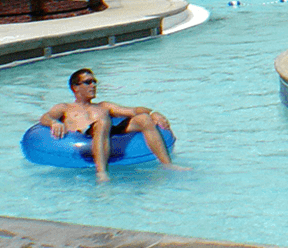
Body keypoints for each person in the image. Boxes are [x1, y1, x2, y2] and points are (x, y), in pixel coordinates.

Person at [37, 68, 187, 182]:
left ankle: (167, 164)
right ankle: (101, 172)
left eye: (95, 82)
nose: (93, 85)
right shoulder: (65, 108)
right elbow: (45, 117)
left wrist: (153, 113)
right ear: (75, 87)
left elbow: (133, 110)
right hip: (85, 136)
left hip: (108, 132)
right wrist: (53, 122)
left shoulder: (103, 106)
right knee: (103, 122)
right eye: (88, 82)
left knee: (143, 118)